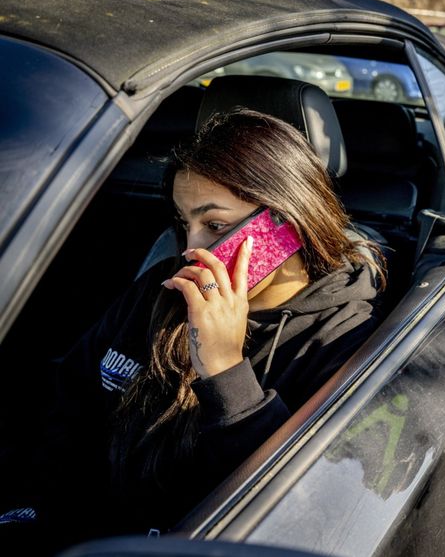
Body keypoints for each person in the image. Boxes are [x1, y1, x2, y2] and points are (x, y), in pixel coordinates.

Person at [0, 109, 383, 552]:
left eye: (215, 225)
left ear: (287, 225)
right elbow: (69, 400)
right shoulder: (162, 288)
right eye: (185, 224)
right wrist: (35, 508)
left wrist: (225, 370)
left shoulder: (341, 339)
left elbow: (300, 515)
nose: (191, 249)